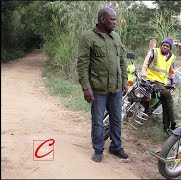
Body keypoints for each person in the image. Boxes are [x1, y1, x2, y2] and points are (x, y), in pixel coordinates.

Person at [77, 7, 128, 162]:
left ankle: (115, 147)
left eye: (115, 19)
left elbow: (122, 62)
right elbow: (82, 64)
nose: (115, 22)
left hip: (116, 87)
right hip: (98, 88)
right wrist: (86, 88)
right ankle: (98, 149)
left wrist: (124, 81)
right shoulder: (88, 37)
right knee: (98, 121)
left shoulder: (116, 37)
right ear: (102, 19)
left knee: (117, 119)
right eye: (112, 19)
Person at [141, 37, 177, 133]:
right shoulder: (154, 51)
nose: (164, 47)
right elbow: (145, 64)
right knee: (168, 96)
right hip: (151, 79)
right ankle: (173, 122)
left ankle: (166, 128)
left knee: (165, 102)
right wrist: (143, 76)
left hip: (162, 82)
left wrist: (172, 83)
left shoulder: (172, 57)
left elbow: (171, 70)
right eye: (163, 45)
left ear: (170, 48)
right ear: (161, 45)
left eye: (167, 46)